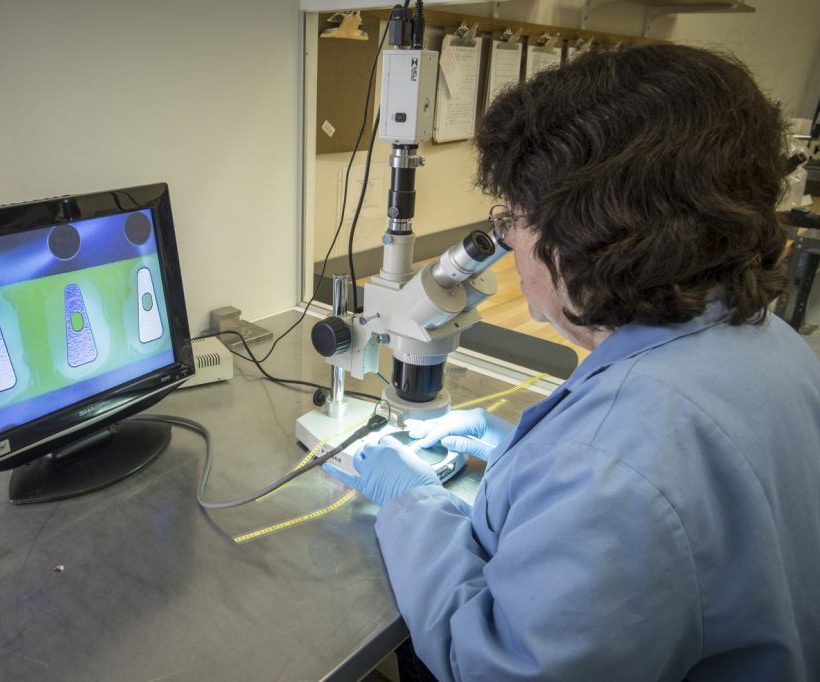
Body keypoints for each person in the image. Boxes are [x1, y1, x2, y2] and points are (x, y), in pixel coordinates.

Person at [324, 44, 820, 681]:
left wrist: (413, 503)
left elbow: (495, 667)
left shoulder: (612, 464)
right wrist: (524, 459)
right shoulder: (769, 341)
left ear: (589, 235)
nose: (509, 241)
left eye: (514, 218)